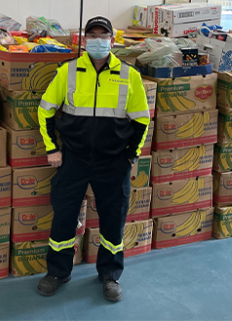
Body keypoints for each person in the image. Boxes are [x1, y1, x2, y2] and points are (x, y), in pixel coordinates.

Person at [37, 16, 150, 302]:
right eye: (93, 35)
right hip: (73, 159)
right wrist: (52, 148)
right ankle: (58, 272)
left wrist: (130, 156)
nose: (98, 40)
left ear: (112, 41)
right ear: (84, 40)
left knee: (113, 220)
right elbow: (45, 110)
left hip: (113, 162)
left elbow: (141, 120)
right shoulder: (68, 71)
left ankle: (110, 275)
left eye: (104, 35)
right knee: (64, 216)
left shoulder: (129, 75)